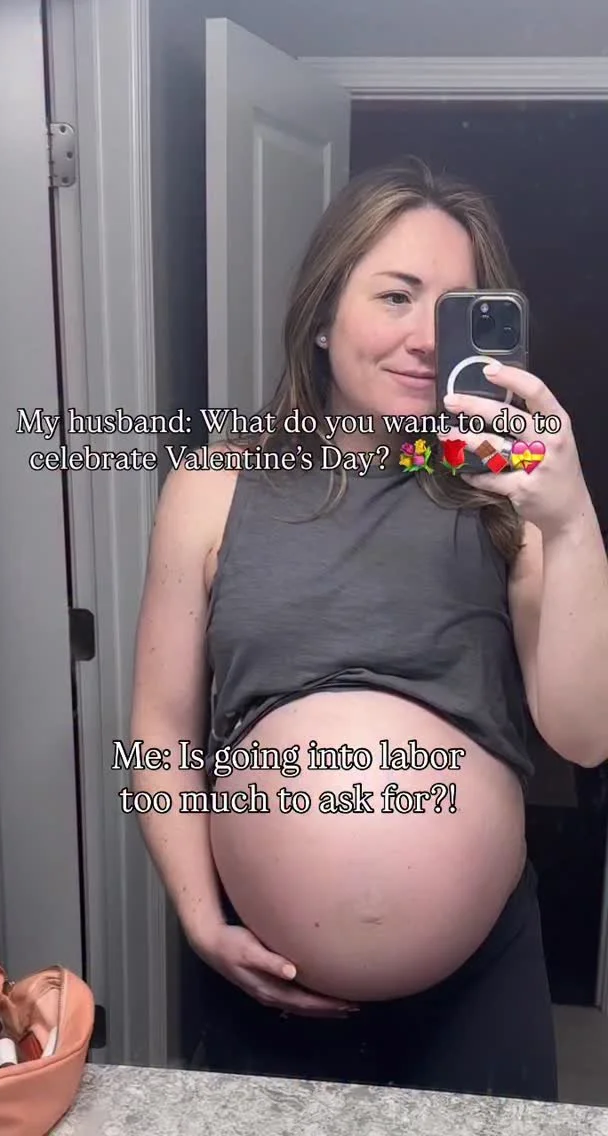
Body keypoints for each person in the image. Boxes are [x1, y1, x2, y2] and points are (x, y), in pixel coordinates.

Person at [130, 161, 608, 1102]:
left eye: (456, 309)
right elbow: (161, 726)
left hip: (477, 992)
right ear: (323, 313)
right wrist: (199, 917)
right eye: (396, 295)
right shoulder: (216, 484)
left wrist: (572, 520)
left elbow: (584, 736)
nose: (425, 338)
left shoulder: (508, 497)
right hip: (265, 979)